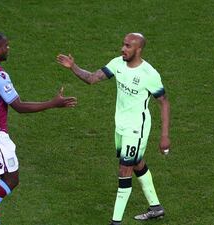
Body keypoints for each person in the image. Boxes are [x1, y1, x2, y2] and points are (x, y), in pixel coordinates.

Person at [0, 32, 77, 225]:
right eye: (6, 46)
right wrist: (53, 103)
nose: (8, 48)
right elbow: (19, 106)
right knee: (12, 178)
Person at [57, 33, 170, 224]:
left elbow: (164, 103)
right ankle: (156, 207)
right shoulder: (118, 63)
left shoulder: (149, 74)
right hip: (121, 126)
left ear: (138, 49)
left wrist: (164, 136)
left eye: (127, 46)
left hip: (137, 129)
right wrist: (73, 67)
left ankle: (115, 222)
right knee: (136, 162)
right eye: (123, 45)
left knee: (124, 170)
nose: (122, 49)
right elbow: (92, 78)